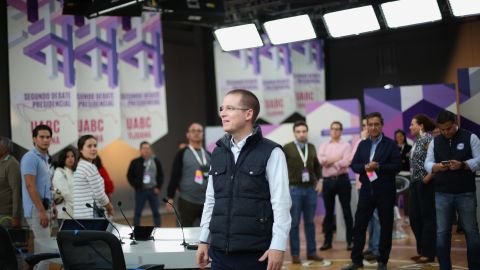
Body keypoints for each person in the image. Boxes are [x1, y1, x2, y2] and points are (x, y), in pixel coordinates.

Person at [196, 89, 292, 270]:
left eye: (230, 108)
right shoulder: (218, 152)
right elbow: (211, 200)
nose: (222, 113)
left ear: (249, 114)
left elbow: (281, 203)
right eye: (222, 108)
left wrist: (278, 245)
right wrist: (204, 239)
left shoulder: (271, 152)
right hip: (219, 254)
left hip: (255, 254)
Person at [343, 112, 401, 270]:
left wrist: (379, 166)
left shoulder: (390, 144)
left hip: (385, 191)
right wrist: (364, 167)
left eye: (376, 124)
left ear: (382, 126)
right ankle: (356, 260)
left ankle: (383, 261)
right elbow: (354, 165)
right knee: (359, 226)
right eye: (370, 124)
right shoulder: (363, 144)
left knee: (386, 226)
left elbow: (397, 166)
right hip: (366, 191)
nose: (373, 127)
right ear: (366, 126)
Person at [425, 110, 480, 270]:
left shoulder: (471, 137)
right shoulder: (435, 142)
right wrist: (435, 167)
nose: (446, 132)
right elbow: (427, 163)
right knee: (442, 234)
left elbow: (479, 159)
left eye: (449, 128)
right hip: (442, 193)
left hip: (466, 192)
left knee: (472, 233)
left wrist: (463, 165)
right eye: (442, 129)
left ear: (456, 123)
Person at [283, 121, 322, 264]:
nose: (301, 134)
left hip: (311, 189)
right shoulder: (287, 148)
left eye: (304, 131)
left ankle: (312, 252)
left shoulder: (311, 147)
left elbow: (317, 166)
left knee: (310, 223)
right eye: (298, 131)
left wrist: (320, 180)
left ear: (307, 132)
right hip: (294, 190)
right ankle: (295, 254)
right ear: (294, 133)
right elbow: (280, 168)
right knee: (294, 223)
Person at [20, 125, 56, 270]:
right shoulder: (30, 157)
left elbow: (46, 185)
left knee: (43, 252)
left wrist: (52, 206)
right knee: (45, 253)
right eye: (41, 137)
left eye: (48, 137)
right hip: (37, 210)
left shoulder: (46, 158)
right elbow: (30, 185)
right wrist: (41, 211)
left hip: (45, 208)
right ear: (34, 139)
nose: (45, 140)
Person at [318, 121, 354, 251]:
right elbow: (322, 161)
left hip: (342, 180)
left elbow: (346, 162)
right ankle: (328, 242)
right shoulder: (323, 145)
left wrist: (331, 161)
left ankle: (350, 241)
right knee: (328, 213)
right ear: (330, 130)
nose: (335, 131)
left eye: (338, 129)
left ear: (341, 131)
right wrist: (336, 159)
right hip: (327, 181)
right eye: (333, 129)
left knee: (346, 211)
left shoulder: (346, 145)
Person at [167, 123, 211, 227]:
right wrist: (170, 196)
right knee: (186, 233)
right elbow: (175, 175)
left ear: (203, 135)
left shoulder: (209, 155)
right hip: (187, 201)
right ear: (188, 135)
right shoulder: (182, 153)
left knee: (206, 233)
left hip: (206, 202)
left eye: (199, 131)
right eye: (193, 131)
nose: (196, 133)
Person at [408, 114, 436, 263]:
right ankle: (422, 250)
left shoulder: (428, 139)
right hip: (414, 182)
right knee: (414, 217)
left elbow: (436, 159)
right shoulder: (416, 140)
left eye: (413, 124)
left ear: (421, 126)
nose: (410, 127)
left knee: (427, 218)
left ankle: (429, 252)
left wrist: (430, 176)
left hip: (425, 183)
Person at [73, 135, 113, 219]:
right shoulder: (89, 167)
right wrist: (109, 206)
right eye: (89, 146)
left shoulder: (80, 165)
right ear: (81, 149)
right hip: (91, 214)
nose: (93, 149)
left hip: (81, 215)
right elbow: (99, 194)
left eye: (95, 146)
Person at [127, 141, 163, 227]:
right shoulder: (135, 162)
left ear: (150, 150)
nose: (146, 150)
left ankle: (158, 230)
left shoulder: (155, 161)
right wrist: (137, 186)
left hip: (153, 190)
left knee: (156, 212)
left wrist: (158, 187)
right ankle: (135, 231)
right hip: (141, 190)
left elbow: (161, 175)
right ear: (140, 150)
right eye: (144, 148)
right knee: (138, 212)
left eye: (148, 148)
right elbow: (129, 176)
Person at [0, 137, 22, 228]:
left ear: (4, 149)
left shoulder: (12, 164)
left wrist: (15, 216)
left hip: (6, 216)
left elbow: (16, 191)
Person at [52, 147, 76, 221]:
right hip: (64, 213)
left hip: (73, 212)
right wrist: (77, 206)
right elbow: (65, 193)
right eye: (67, 156)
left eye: (72, 156)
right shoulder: (59, 172)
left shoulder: (73, 172)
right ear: (63, 158)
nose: (70, 158)